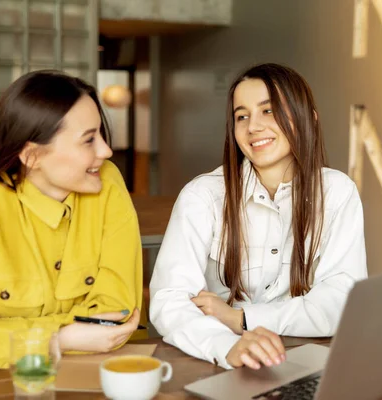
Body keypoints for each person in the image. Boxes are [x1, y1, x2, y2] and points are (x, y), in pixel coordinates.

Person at [149, 63, 367, 370]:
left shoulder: (337, 192)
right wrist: (228, 346)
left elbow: (341, 303)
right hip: (221, 363)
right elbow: (169, 302)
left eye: (268, 110)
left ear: (309, 119)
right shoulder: (203, 196)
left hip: (308, 361)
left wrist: (240, 319)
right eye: (242, 115)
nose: (253, 126)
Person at [0, 70, 142, 373]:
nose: (106, 150)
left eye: (100, 133)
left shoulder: (106, 181)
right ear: (32, 156)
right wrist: (59, 338)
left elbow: (117, 315)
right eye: (88, 140)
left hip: (91, 377)